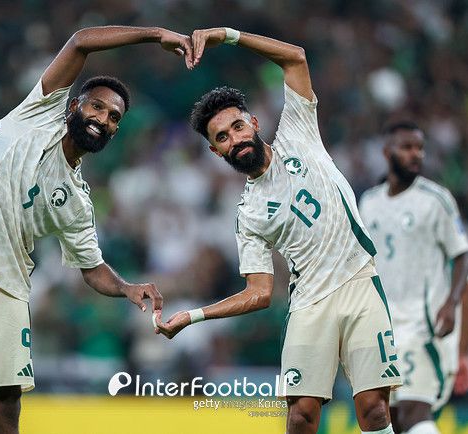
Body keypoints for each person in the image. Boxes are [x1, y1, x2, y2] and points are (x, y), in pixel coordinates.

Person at [0, 25, 193, 434]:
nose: (103, 119)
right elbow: (81, 41)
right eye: (96, 107)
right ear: (73, 106)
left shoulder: (77, 200)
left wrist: (126, 287)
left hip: (11, 286)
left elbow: (92, 268)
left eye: (113, 117)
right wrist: (155, 34)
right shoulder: (37, 114)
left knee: (5, 411)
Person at [156, 27, 402, 434]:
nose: (235, 139)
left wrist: (228, 35)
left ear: (253, 122)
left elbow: (296, 57)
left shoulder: (296, 132)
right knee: (301, 417)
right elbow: (259, 293)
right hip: (308, 303)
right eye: (222, 138)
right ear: (216, 151)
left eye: (237, 126)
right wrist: (193, 316)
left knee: (374, 410)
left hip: (360, 281)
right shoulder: (248, 213)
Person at [358, 121, 468, 434]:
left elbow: (463, 256)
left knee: (415, 411)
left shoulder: (436, 199)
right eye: (407, 147)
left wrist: (451, 304)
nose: (415, 154)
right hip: (384, 330)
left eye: (420, 148)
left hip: (425, 326)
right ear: (387, 152)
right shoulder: (368, 202)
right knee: (387, 418)